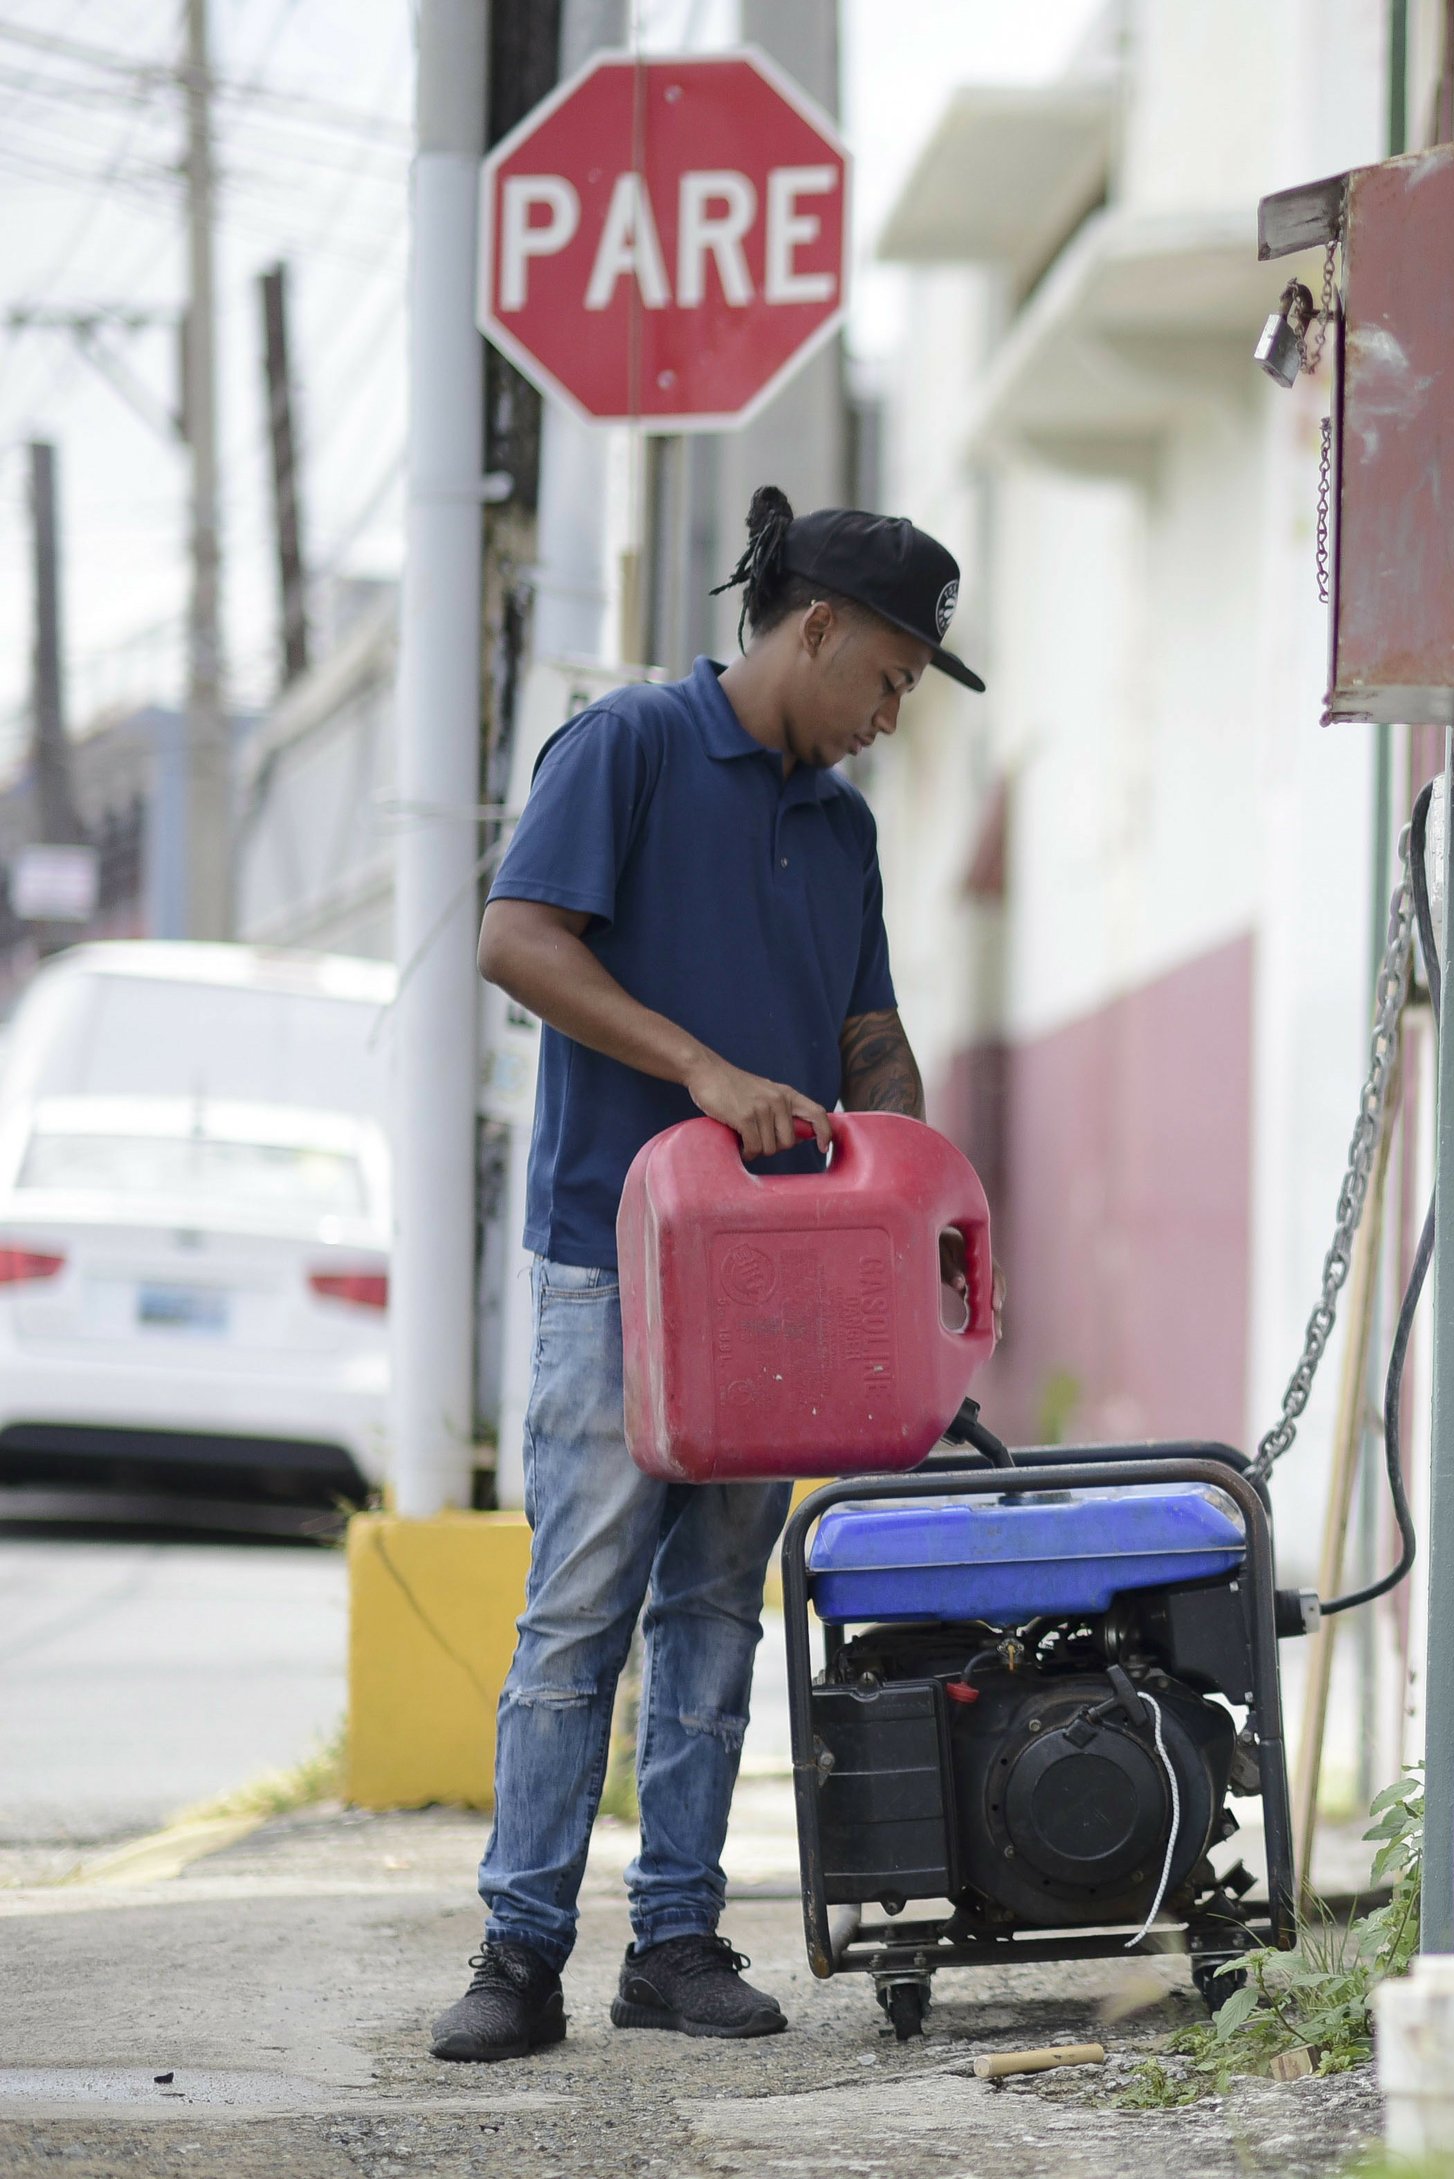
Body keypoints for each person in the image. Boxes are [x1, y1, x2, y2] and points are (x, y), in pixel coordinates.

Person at [429, 486, 985, 2063]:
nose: (890, 715)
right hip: (618, 1261)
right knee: (578, 1616)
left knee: (716, 1617)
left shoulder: (844, 825)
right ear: (813, 627)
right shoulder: (631, 750)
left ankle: (674, 1939)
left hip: (781, 1283)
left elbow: (868, 1027)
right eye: (885, 678)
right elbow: (517, 938)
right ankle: (517, 1953)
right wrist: (706, 1071)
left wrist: (901, 1146)